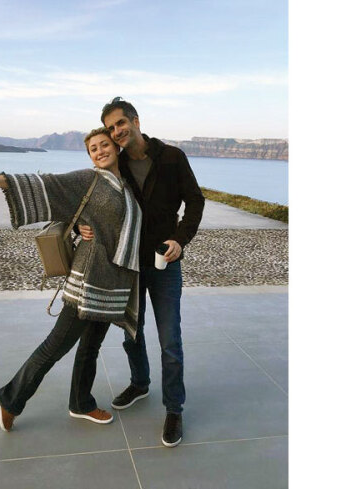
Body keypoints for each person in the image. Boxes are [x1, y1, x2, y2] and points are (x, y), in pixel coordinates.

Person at [0, 127, 142, 432]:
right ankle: (10, 398)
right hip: (87, 281)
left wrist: (79, 224)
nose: (100, 151)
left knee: (91, 347)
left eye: (104, 144)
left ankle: (81, 403)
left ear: (116, 148)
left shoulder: (127, 186)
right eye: (93, 148)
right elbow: (43, 185)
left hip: (112, 284)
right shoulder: (88, 179)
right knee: (55, 345)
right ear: (90, 156)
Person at [79, 97, 205, 447]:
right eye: (111, 128)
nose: (116, 131)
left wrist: (180, 239)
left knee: (170, 340)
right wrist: (79, 227)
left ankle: (174, 408)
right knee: (131, 332)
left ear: (135, 121)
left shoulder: (172, 157)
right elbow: (90, 202)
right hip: (129, 265)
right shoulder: (114, 163)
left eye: (121, 123)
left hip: (165, 263)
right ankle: (140, 383)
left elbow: (195, 201)